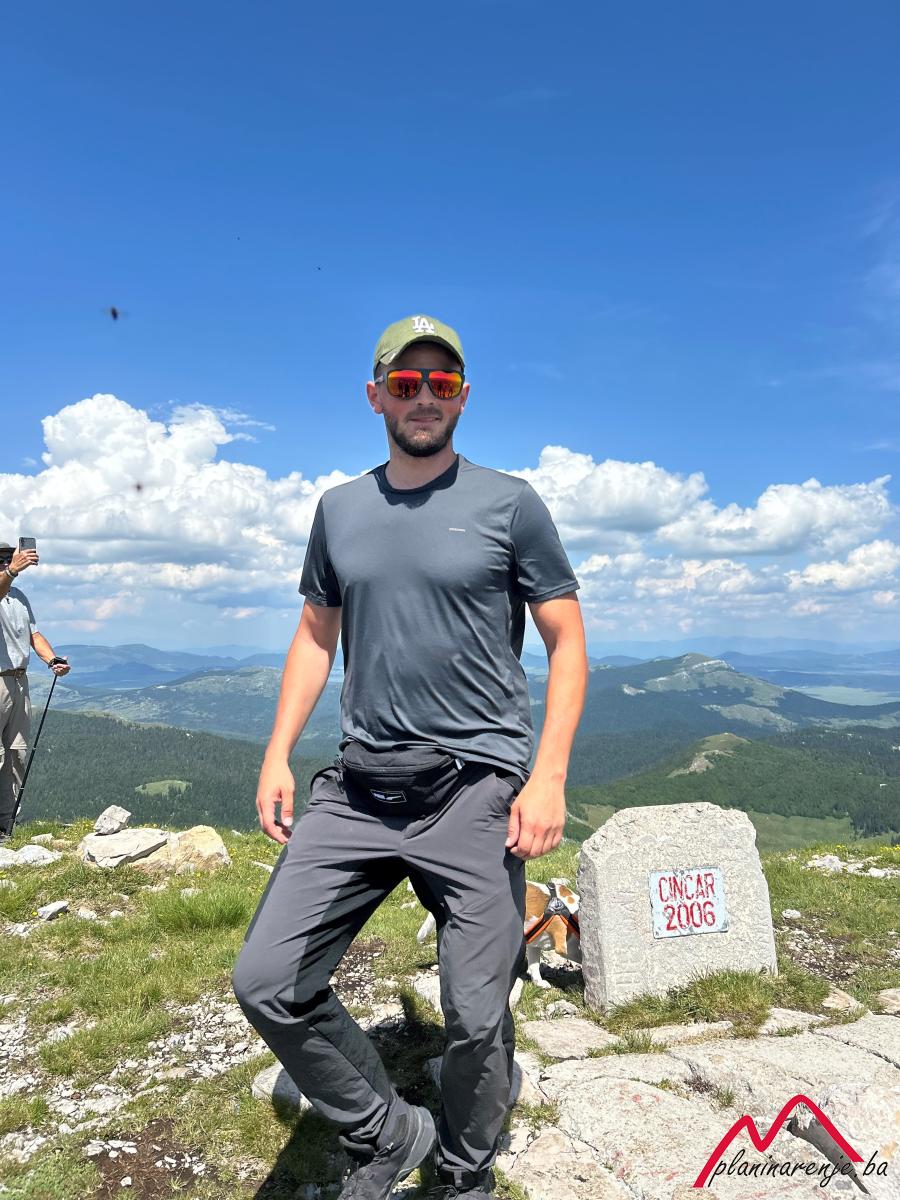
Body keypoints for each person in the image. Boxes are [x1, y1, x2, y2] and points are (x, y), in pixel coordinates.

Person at [232, 315, 588, 1199]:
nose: (423, 396)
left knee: (476, 1013)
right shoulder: (339, 510)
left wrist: (547, 776)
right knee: (268, 980)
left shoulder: (511, 504)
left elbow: (567, 640)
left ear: (463, 397)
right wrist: (277, 752)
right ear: (375, 396)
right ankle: (389, 1133)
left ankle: (464, 1175)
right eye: (405, 382)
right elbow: (315, 634)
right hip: (359, 785)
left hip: (474, 788)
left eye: (441, 383)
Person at [0, 542, 71, 841]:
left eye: (10, 557)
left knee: (16, 753)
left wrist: (52, 660)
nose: (8, 561)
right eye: (2, 559)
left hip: (19, 680)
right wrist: (12, 572)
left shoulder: (18, 597)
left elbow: (34, 635)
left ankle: (6, 826)